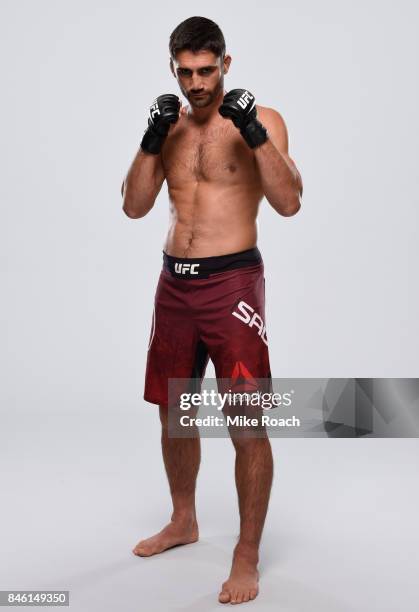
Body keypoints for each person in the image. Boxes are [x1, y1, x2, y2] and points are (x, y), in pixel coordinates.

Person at [121, 15, 302, 606]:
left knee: (246, 422)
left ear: (226, 64)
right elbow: (134, 206)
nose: (196, 83)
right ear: (173, 69)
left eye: (206, 70)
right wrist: (151, 138)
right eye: (185, 72)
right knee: (174, 411)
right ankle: (183, 520)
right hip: (174, 285)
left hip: (233, 286)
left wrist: (252, 131)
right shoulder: (168, 126)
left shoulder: (262, 119)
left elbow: (290, 201)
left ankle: (246, 554)